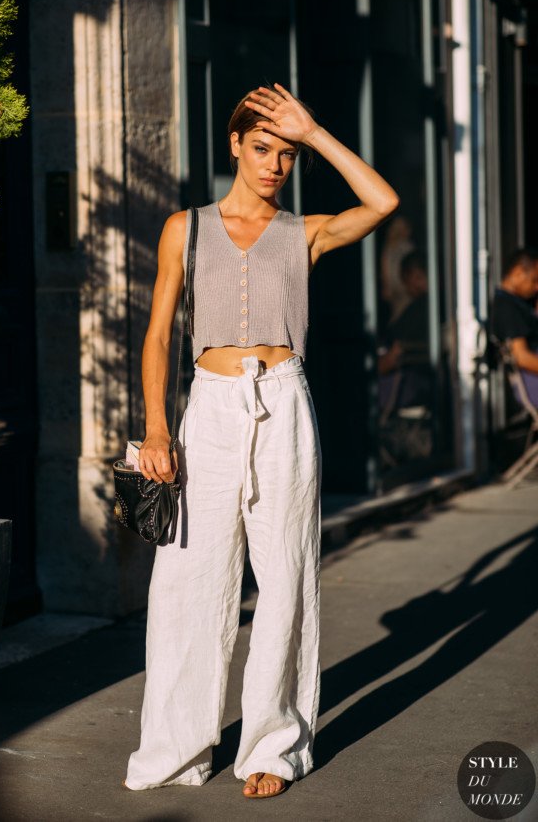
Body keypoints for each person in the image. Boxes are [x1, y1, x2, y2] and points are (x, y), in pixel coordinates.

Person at [122, 83, 400, 799]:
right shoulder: (185, 227)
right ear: (235, 147)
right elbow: (157, 336)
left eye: (286, 154)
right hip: (208, 408)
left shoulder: (303, 232)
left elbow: (383, 202)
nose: (275, 164)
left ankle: (273, 748)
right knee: (189, 581)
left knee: (285, 579)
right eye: (263, 148)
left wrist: (315, 131)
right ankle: (177, 750)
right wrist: (157, 426)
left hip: (283, 404)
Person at [491, 247, 538, 406]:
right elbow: (522, 357)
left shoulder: (516, 303)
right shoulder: (507, 308)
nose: (536, 287)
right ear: (518, 273)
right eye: (534, 280)